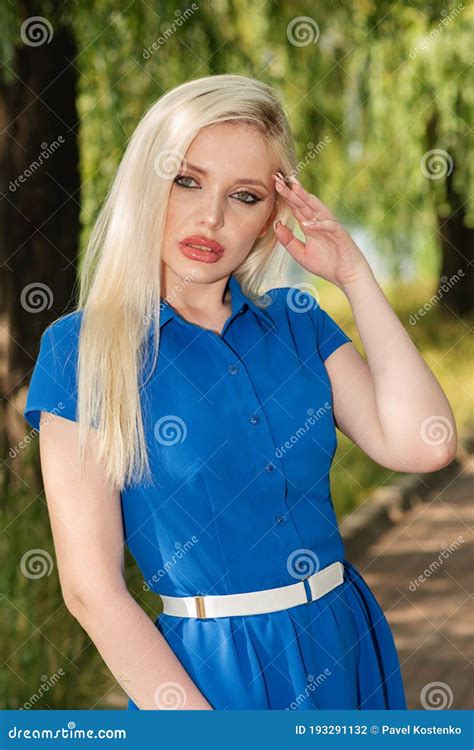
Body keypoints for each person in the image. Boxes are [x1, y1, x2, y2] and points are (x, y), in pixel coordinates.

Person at [23, 73, 457, 711]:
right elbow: (92, 592)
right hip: (214, 673)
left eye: (245, 196)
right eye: (187, 180)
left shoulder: (300, 321)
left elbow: (426, 446)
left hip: (345, 638)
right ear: (150, 183)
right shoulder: (83, 349)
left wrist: (355, 274)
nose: (212, 217)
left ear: (270, 219)